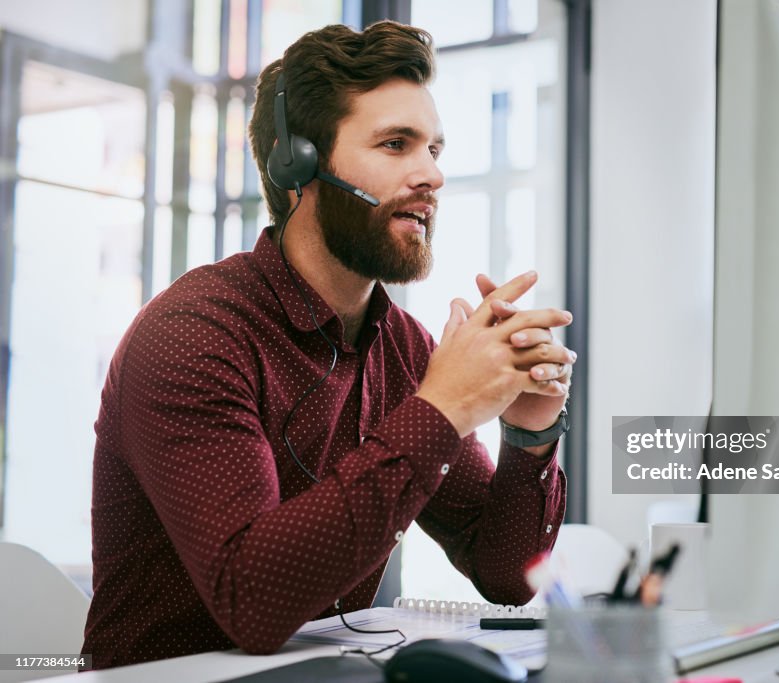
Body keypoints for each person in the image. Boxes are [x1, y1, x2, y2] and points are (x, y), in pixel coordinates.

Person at [83, 20, 573, 669]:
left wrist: (530, 433)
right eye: (397, 144)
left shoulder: (403, 348)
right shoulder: (195, 335)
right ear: (298, 164)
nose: (432, 175)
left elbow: (509, 574)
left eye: (435, 149)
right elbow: (251, 599)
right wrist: (445, 407)